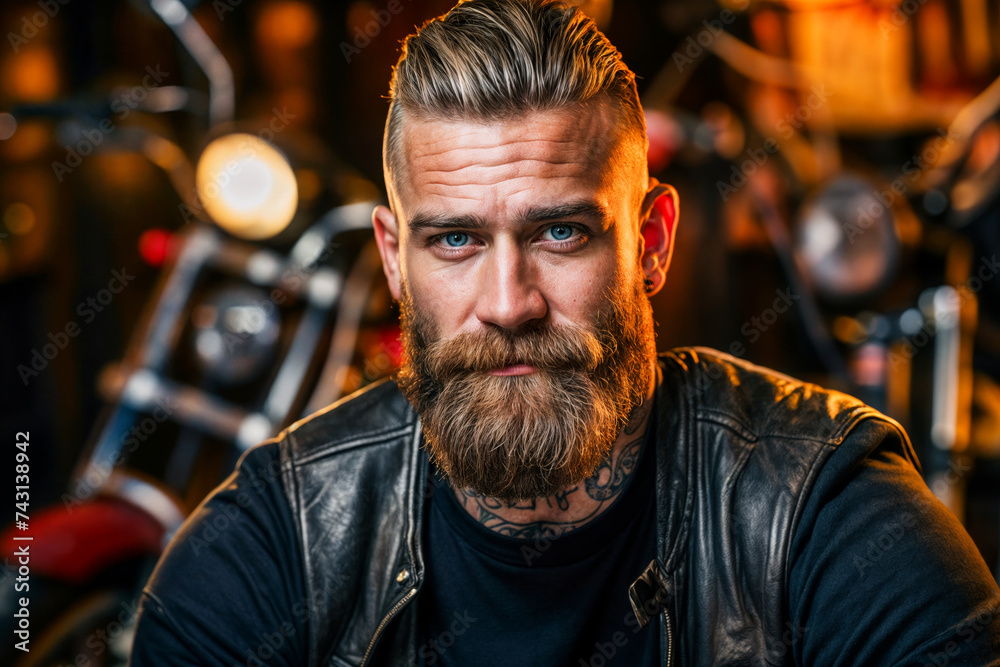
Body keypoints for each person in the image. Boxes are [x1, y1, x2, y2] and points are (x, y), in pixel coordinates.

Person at [129, 1, 1000, 665]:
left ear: (651, 242)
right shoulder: (279, 543)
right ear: (396, 259)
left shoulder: (824, 518)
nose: (509, 303)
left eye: (561, 233)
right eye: (456, 239)